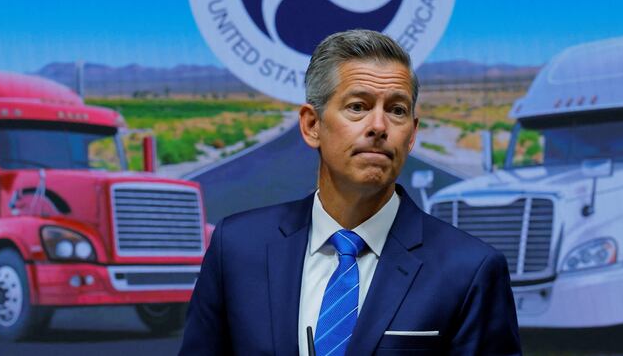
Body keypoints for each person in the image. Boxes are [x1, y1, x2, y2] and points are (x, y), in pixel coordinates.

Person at [179, 29, 521, 355]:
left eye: (397, 110)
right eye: (358, 106)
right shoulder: (236, 248)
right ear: (312, 125)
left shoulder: (470, 270)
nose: (378, 126)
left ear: (412, 134)